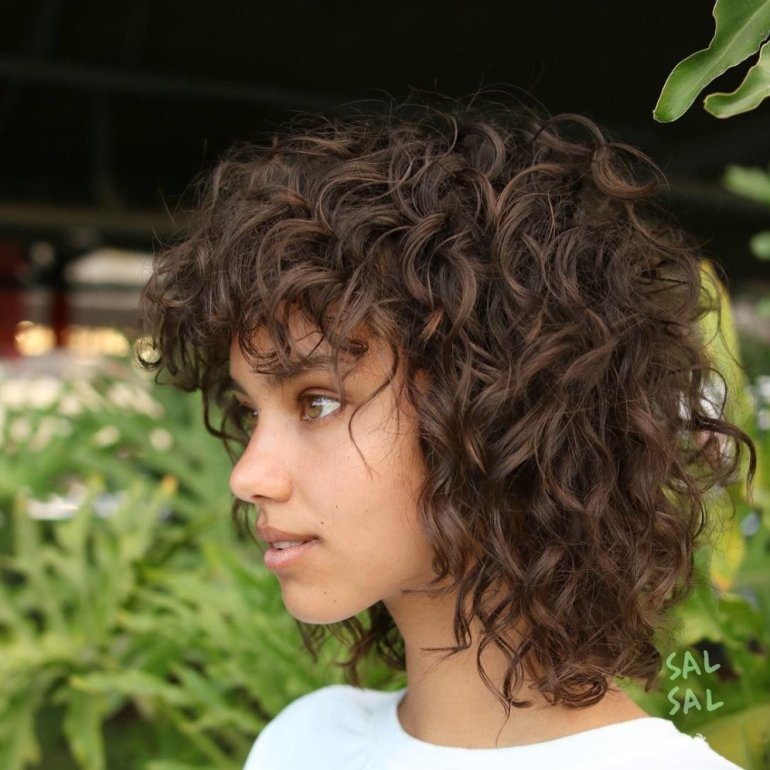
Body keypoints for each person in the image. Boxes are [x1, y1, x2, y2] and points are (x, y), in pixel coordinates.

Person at [138, 91, 757, 769]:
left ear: (501, 411)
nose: (248, 476)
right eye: (253, 412)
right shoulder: (302, 743)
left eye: (317, 402)